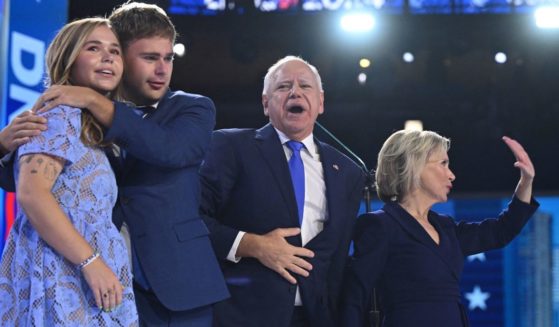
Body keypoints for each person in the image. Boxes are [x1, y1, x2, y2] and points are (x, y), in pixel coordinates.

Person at [29, 2, 228, 326]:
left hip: (179, 288)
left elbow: (171, 151)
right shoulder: (73, 116)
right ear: (117, 55)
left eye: (168, 58)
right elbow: (22, 184)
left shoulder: (193, 108)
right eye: (150, 58)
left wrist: (94, 100)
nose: (163, 69)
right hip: (97, 286)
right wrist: (4, 144)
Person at [199, 55, 365, 327]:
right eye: (283, 86)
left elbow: (337, 261)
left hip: (316, 317)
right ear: (266, 103)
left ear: (321, 102)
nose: (295, 92)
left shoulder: (347, 171)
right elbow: (193, 219)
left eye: (305, 86)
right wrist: (253, 245)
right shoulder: (231, 147)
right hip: (241, 314)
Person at [0, 17, 138, 325]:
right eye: (94, 48)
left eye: (114, 51)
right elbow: (32, 194)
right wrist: (91, 262)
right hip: (63, 270)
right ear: (68, 58)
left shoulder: (92, 125)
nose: (108, 57)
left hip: (86, 272)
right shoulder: (61, 114)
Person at [340, 130, 539, 327]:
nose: (451, 175)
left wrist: (526, 181)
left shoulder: (446, 227)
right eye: (443, 163)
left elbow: (500, 232)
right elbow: (353, 298)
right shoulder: (381, 225)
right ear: (414, 166)